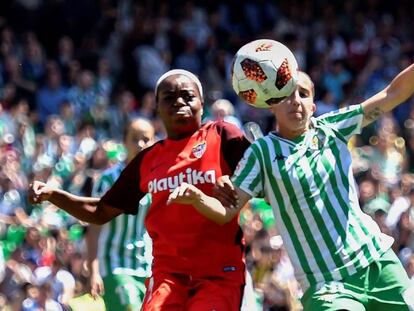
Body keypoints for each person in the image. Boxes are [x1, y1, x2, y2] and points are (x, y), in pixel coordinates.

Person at [168, 64, 414, 311]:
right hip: (325, 283)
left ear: (313, 106)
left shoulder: (332, 129)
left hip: (376, 262)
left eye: (303, 94)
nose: (295, 101)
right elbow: (227, 210)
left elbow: (392, 93)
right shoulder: (262, 153)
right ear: (272, 104)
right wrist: (199, 199)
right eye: (286, 95)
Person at [28, 69, 251, 310]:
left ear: (201, 101)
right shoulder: (148, 160)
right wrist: (53, 194)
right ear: (156, 106)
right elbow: (99, 211)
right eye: (169, 97)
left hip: (218, 274)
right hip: (168, 277)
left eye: (187, 96)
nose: (178, 101)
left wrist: (237, 183)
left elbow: (264, 178)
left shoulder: (223, 135)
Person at [85, 118, 155, 310]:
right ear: (124, 142)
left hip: (146, 268)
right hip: (115, 266)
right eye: (134, 139)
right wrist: (93, 270)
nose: (140, 144)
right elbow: (94, 225)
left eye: (146, 139)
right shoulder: (109, 180)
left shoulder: (155, 181)